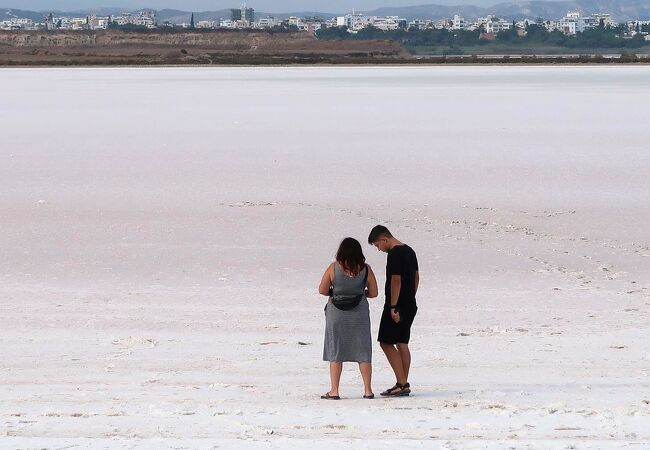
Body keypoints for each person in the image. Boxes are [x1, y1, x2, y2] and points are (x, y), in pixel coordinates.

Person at [318, 237, 379, 400]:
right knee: (363, 350)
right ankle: (367, 390)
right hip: (359, 312)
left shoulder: (333, 268)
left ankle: (335, 390)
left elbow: (322, 290)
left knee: (336, 350)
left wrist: (337, 292)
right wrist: (359, 294)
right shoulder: (366, 269)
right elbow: (374, 293)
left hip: (336, 313)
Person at [368, 225, 419, 397]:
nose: (379, 249)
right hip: (410, 303)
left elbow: (395, 280)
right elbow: (416, 278)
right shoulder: (410, 250)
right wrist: (410, 297)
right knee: (402, 342)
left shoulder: (395, 253)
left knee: (386, 341)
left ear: (384, 239)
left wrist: (393, 306)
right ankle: (402, 383)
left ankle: (402, 383)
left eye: (377, 245)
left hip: (396, 305)